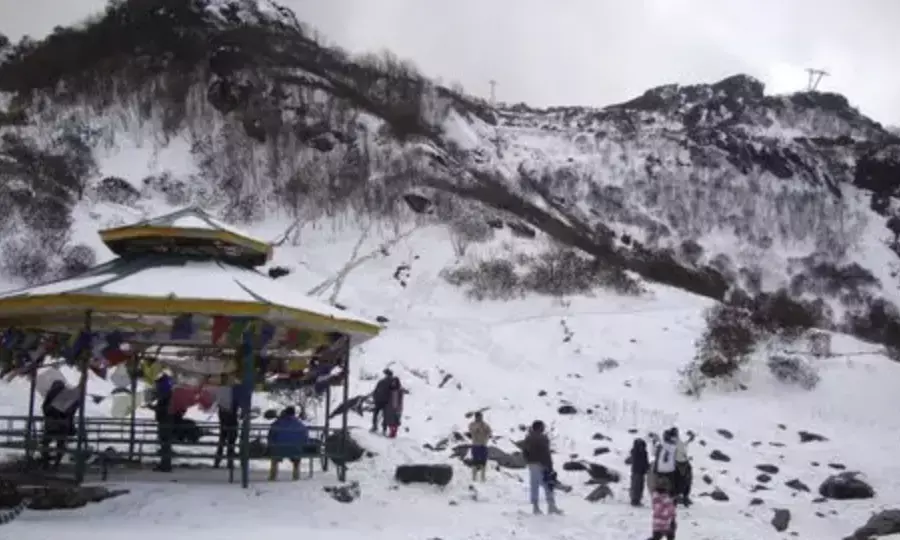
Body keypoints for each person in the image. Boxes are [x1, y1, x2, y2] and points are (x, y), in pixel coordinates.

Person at [521, 420, 562, 515]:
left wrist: (528, 461)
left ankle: (535, 507)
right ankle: (551, 506)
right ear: (540, 428)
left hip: (531, 464)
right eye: (543, 427)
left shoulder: (528, 438)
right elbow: (546, 454)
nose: (544, 428)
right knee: (548, 485)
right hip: (541, 464)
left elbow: (524, 452)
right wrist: (550, 466)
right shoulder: (543, 438)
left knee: (534, 485)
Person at [267, 406, 311, 481]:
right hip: (296, 450)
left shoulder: (277, 423)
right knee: (297, 457)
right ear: (294, 413)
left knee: (274, 457)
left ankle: (273, 476)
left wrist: (271, 445)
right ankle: (296, 475)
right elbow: (305, 439)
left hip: (279, 449)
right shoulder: (300, 424)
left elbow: (270, 437)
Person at [40, 380, 75, 470]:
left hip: (51, 424)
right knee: (60, 444)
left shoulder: (51, 394)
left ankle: (46, 463)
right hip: (63, 424)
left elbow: (45, 408)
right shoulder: (67, 395)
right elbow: (71, 411)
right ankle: (56, 464)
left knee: (45, 443)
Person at [152, 372, 174, 472]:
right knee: (165, 444)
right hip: (165, 421)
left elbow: (163, 409)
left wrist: (154, 408)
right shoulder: (167, 395)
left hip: (165, 421)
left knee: (165, 443)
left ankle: (165, 465)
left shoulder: (165, 396)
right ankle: (165, 464)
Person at [671, 427, 695, 506]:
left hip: (674, 462)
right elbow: (683, 449)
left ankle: (676, 497)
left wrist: (688, 441)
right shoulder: (677, 441)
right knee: (687, 479)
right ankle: (685, 497)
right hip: (681, 462)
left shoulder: (671, 441)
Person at [468, 411, 492, 481]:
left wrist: (486, 438)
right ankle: (474, 477)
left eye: (481, 417)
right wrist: (478, 427)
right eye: (478, 417)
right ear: (476, 417)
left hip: (483, 445)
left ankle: (483, 477)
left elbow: (489, 431)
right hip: (475, 445)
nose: (480, 418)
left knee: (483, 461)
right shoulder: (472, 424)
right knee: (475, 461)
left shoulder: (485, 424)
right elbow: (471, 430)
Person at [213, 403, 238, 469]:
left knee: (223, 443)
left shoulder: (224, 403)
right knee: (228, 444)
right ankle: (228, 462)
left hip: (226, 424)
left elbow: (220, 414)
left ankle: (219, 461)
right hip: (230, 424)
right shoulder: (232, 402)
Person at [371, 369, 393, 433]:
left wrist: (375, 399)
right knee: (385, 416)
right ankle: (384, 429)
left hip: (379, 401)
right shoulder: (391, 383)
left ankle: (375, 426)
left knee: (376, 414)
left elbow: (375, 391)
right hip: (386, 402)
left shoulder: (381, 382)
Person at [629, 437, 650, 506]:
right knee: (637, 486)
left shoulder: (636, 452)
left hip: (637, 471)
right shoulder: (640, 452)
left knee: (637, 486)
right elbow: (643, 462)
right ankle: (635, 500)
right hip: (638, 471)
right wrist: (646, 468)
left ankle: (635, 499)